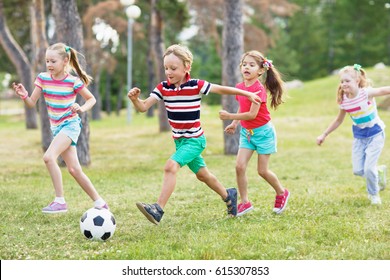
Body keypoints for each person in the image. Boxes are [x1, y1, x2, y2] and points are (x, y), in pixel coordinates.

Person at [128, 44, 262, 225]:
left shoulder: (196, 85)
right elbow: (143, 107)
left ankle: (158, 209)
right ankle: (228, 196)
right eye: (166, 68)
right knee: (202, 175)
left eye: (173, 68)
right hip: (180, 142)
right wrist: (135, 100)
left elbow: (222, 89)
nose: (169, 72)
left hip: (195, 140)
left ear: (186, 67)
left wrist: (246, 93)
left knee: (170, 166)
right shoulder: (163, 88)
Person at [12, 42, 108, 213]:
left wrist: (81, 108)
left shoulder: (73, 82)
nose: (49, 65)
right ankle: (100, 202)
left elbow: (91, 99)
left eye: (53, 61)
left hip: (70, 125)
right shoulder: (43, 78)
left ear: (65, 61)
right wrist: (24, 95)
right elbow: (31, 103)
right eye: (47, 61)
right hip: (56, 127)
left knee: (49, 157)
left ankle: (60, 201)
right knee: (74, 169)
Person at [219, 50, 290, 216]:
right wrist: (235, 123)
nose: (247, 67)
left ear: (260, 70)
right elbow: (242, 107)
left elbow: (252, 114)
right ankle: (245, 203)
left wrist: (230, 116)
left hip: (264, 133)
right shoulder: (240, 88)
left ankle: (281, 192)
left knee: (262, 171)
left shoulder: (259, 90)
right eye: (244, 64)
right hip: (247, 133)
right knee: (239, 166)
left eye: (252, 65)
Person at [316, 64, 389, 205]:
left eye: (347, 81)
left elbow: (383, 90)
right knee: (358, 170)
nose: (344, 84)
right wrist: (324, 134)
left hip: (375, 134)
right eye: (342, 81)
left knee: (368, 169)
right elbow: (338, 120)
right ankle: (378, 172)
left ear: (357, 81)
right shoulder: (344, 101)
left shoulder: (366, 93)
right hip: (360, 137)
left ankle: (374, 194)